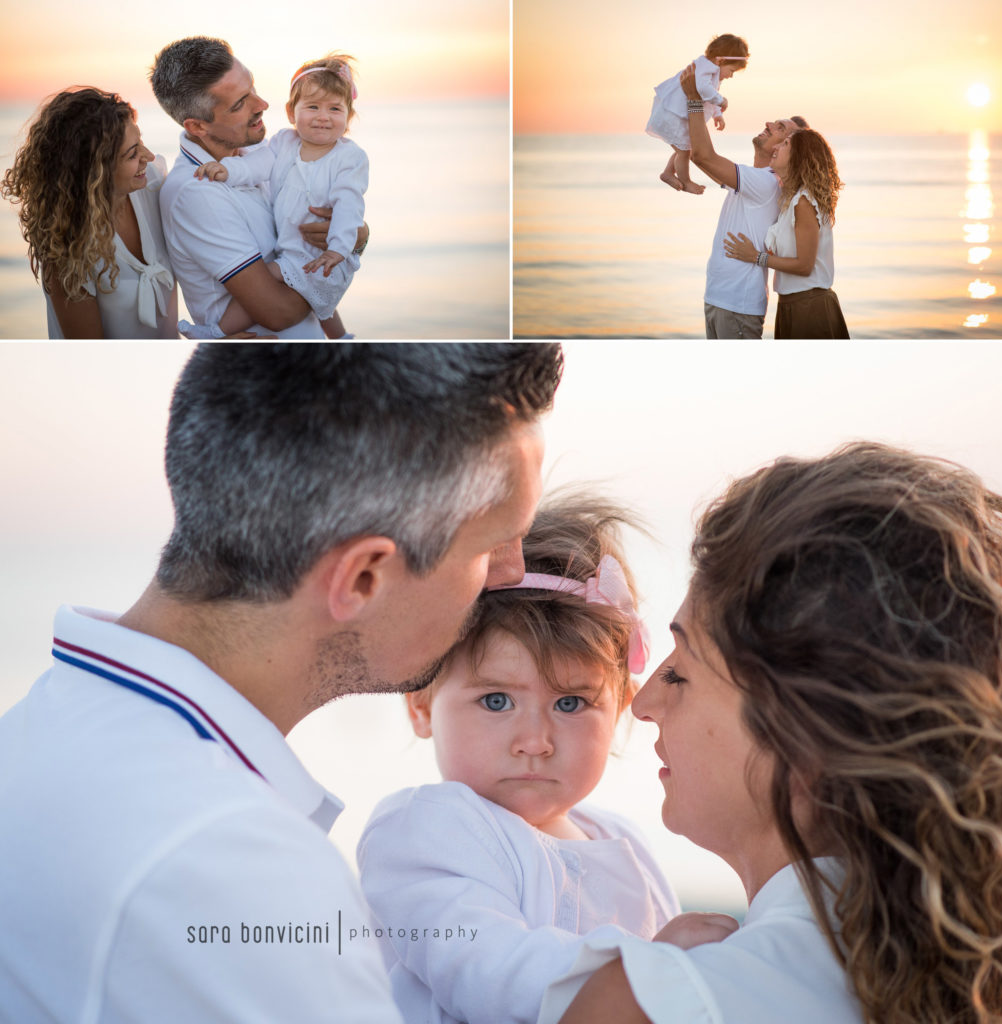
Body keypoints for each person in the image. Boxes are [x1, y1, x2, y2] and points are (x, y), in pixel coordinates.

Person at [0, 343, 563, 1022]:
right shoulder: (232, 867)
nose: (511, 572)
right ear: (362, 578)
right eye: (490, 545)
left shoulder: (44, 734)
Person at [538, 442, 1002, 1024]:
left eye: (683, 672)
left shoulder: (649, 1005)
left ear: (803, 733)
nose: (643, 703)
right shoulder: (980, 993)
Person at [359, 491, 739, 1024]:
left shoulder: (625, 845)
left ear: (620, 712)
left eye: (570, 703)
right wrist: (653, 967)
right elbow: (487, 970)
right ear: (421, 706)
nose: (535, 740)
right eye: (496, 701)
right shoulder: (423, 831)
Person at [150, 36, 367, 338]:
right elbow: (278, 312)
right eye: (241, 103)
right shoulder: (197, 192)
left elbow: (304, 237)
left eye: (252, 87)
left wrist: (356, 237)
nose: (262, 104)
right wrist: (340, 267)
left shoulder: (259, 152)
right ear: (197, 126)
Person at [1, 87, 178, 338]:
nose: (147, 157)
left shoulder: (152, 184)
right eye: (131, 154)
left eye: (140, 142)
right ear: (95, 172)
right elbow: (89, 356)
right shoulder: (67, 246)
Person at [677, 63, 808, 340]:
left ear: (787, 147)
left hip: (737, 306)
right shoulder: (755, 178)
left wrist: (694, 101)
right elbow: (704, 158)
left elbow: (703, 156)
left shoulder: (766, 182)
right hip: (720, 299)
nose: (768, 124)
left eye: (779, 127)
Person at [724, 129, 850, 338]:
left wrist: (756, 257)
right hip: (791, 304)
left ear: (799, 157)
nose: (776, 147)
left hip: (810, 307)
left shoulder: (803, 201)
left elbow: (805, 265)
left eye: (785, 145)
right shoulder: (790, 200)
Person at [645, 34, 749, 194]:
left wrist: (718, 114)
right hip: (674, 115)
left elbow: (710, 95)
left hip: (680, 116)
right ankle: (685, 181)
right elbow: (703, 89)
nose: (731, 75)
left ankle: (667, 173)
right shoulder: (705, 67)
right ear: (720, 60)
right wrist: (722, 100)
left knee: (684, 148)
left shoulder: (712, 72)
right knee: (684, 151)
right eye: (731, 70)